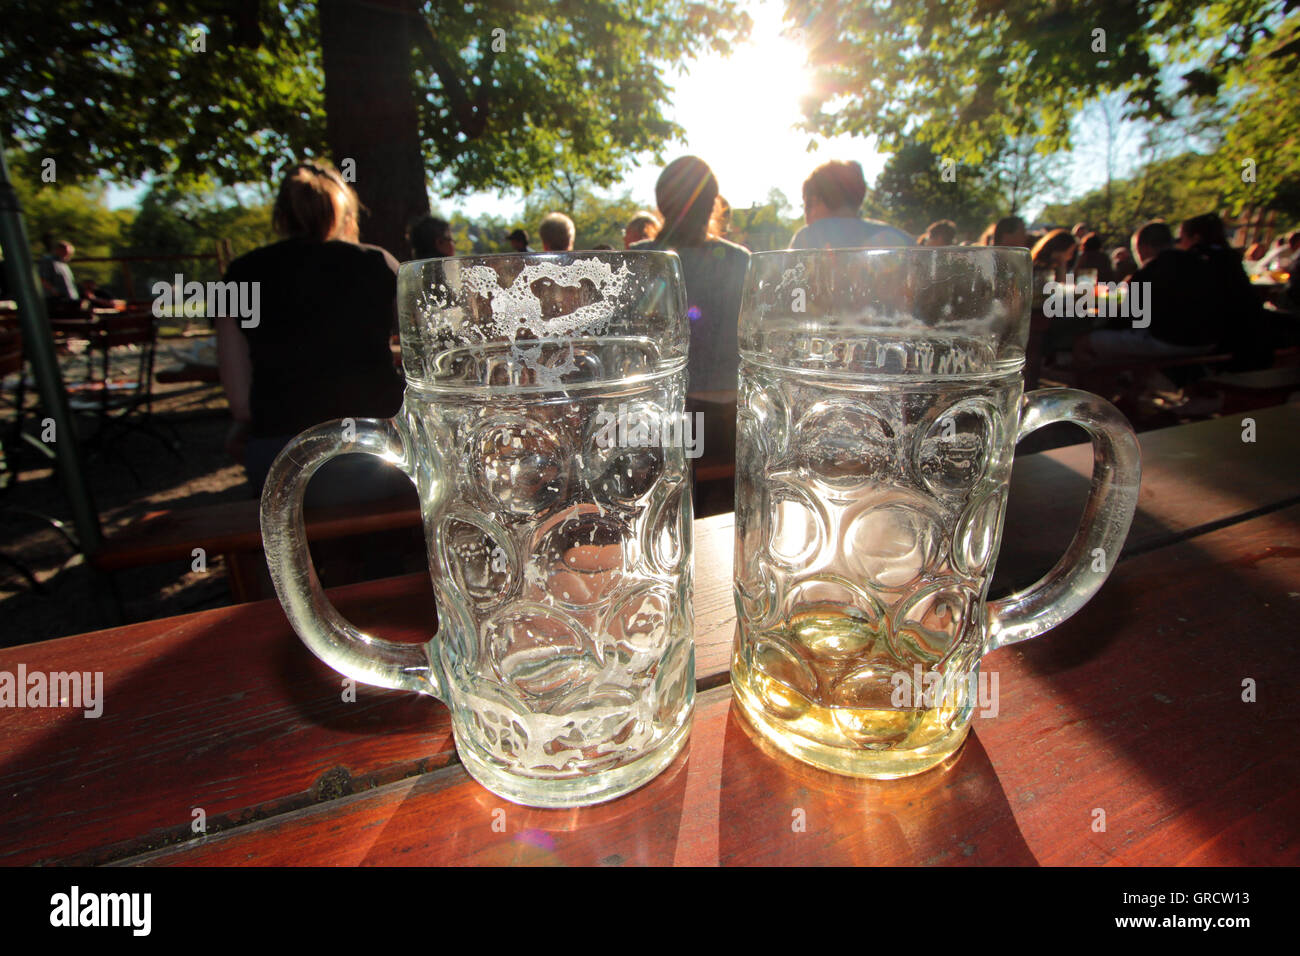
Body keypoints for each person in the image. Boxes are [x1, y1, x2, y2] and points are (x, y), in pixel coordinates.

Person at [216, 160, 406, 506]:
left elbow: (241, 405)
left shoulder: (241, 272)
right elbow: (422, 358)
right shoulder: (377, 263)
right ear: (345, 210)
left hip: (286, 469)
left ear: (281, 215)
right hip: (380, 457)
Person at [1077, 220, 1226, 362]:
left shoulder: (1152, 268)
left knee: (1085, 342)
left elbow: (1127, 317)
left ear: (1144, 248)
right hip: (1209, 341)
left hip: (1173, 341)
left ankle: (1094, 387)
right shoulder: (1200, 263)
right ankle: (1137, 384)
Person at [788, 160, 912, 248]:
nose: (807, 219)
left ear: (815, 201)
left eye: (806, 205)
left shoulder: (807, 237)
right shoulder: (900, 238)